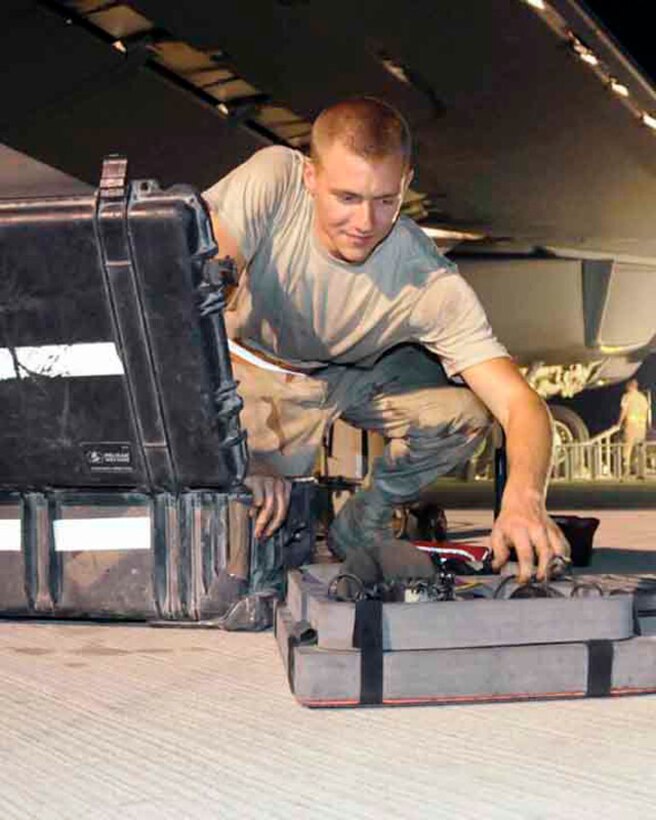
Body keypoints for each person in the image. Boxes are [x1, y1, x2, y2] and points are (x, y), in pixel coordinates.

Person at [203, 97, 568, 582]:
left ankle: (362, 522)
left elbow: (522, 405)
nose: (364, 223)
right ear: (311, 178)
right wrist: (239, 454)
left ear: (405, 184)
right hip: (248, 369)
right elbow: (183, 313)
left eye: (384, 201)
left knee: (463, 416)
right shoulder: (272, 182)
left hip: (346, 377)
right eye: (347, 198)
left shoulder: (428, 281)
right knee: (234, 564)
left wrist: (523, 498)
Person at [618, 379, 650, 478]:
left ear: (630, 387)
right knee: (640, 449)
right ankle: (640, 471)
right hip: (641, 426)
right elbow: (646, 411)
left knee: (627, 448)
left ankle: (626, 470)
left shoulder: (627, 396)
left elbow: (624, 410)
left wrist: (618, 423)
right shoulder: (642, 397)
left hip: (631, 425)